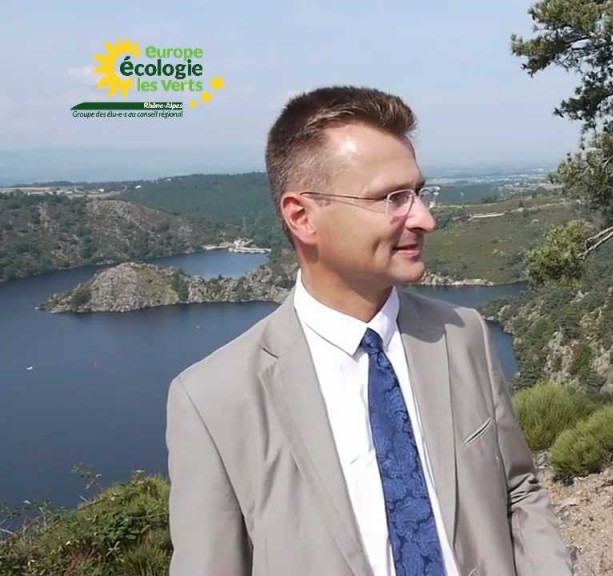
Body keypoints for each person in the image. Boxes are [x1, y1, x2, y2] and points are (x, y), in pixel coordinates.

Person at [165, 86, 572, 576]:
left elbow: (519, 492)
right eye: (391, 198)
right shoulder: (213, 399)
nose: (425, 218)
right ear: (302, 217)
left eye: (418, 193)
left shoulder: (462, 335)